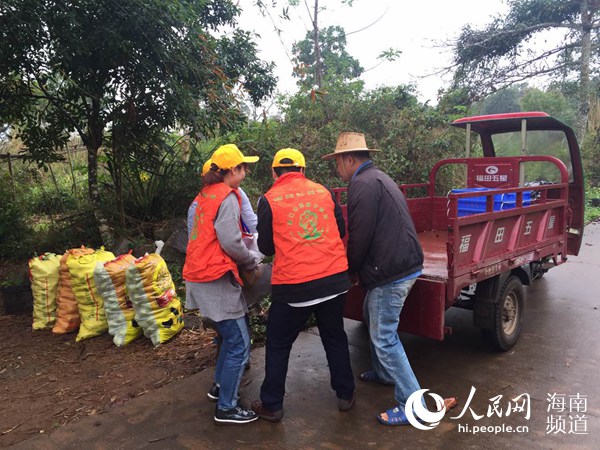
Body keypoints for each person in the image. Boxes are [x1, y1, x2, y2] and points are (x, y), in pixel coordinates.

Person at [322, 132, 455, 426]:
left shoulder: (361, 184)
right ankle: (384, 373)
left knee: (384, 337)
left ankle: (413, 403)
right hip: (401, 262)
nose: (338, 170)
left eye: (338, 163)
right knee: (373, 316)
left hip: (390, 270)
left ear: (348, 159)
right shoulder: (378, 177)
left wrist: (350, 269)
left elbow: (361, 235)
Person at [251, 148, 355, 422]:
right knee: (335, 337)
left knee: (277, 344)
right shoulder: (324, 192)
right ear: (303, 171)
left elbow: (265, 247)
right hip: (334, 279)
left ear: (274, 173)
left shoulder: (269, 199)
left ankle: (272, 405)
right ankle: (346, 394)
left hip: (294, 286)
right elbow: (340, 231)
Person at [183, 143, 261, 424]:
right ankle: (227, 407)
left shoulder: (205, 195)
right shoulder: (227, 197)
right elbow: (230, 241)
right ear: (232, 171)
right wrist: (250, 260)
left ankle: (219, 388)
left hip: (200, 274)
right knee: (239, 341)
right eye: (243, 168)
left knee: (230, 338)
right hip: (213, 277)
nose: (246, 173)